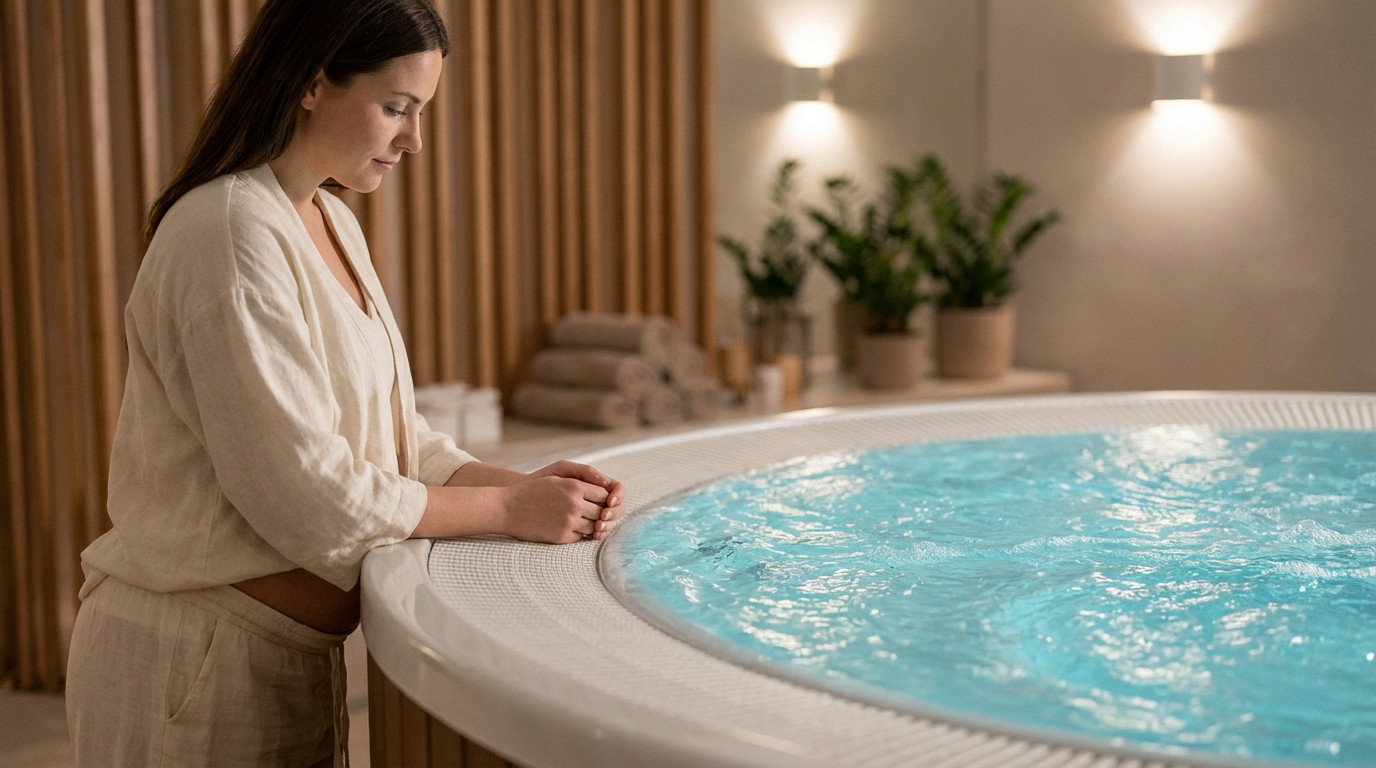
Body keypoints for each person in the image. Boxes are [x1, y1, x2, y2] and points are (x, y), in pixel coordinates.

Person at [64, 1, 625, 765]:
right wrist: (500, 506)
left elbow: (393, 438)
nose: (414, 140)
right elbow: (306, 492)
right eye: (396, 108)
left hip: (282, 659)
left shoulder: (327, 216)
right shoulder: (227, 232)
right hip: (193, 664)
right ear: (311, 83)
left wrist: (532, 489)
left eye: (420, 112)